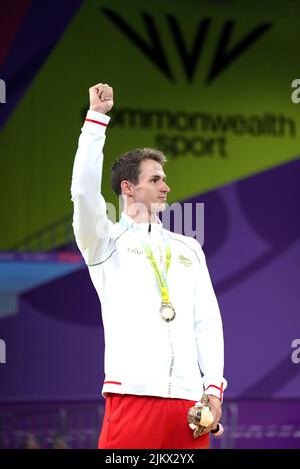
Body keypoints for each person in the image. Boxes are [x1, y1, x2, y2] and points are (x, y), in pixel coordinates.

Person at [71, 83, 227, 449]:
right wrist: (95, 121)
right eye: (155, 179)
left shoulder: (188, 248)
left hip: (191, 406)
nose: (166, 187)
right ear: (127, 187)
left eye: (165, 179)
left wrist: (213, 386)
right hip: (133, 397)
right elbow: (82, 193)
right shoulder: (105, 242)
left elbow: (207, 321)